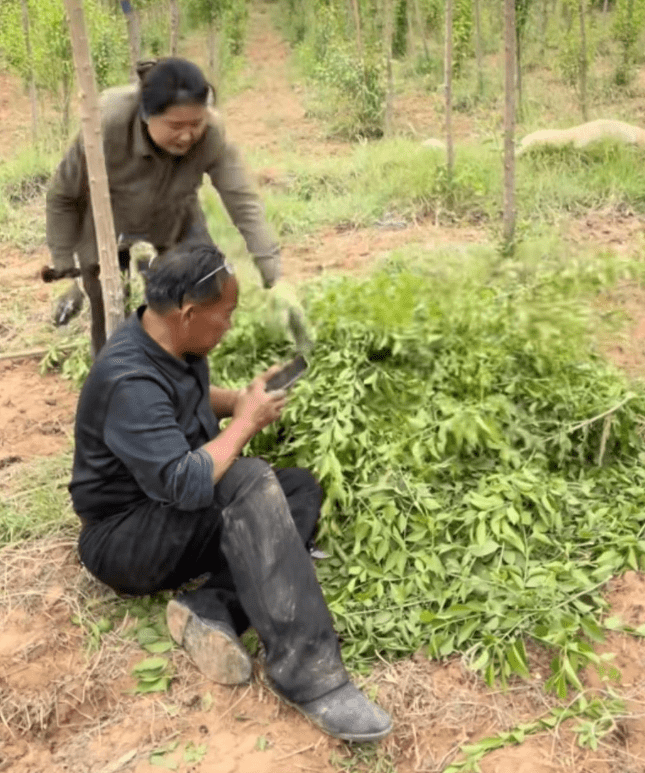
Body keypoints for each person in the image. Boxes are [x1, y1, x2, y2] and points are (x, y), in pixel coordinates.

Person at [69, 242, 392, 743]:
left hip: (166, 514)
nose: (231, 325)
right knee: (246, 479)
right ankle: (309, 676)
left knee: (298, 488)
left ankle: (211, 608)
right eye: (227, 315)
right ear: (190, 312)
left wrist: (239, 400)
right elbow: (185, 482)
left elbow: (190, 398)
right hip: (126, 540)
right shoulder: (127, 378)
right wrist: (246, 423)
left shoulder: (175, 342)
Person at [44, 57, 305, 356]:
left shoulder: (212, 134)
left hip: (174, 220)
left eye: (196, 124)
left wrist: (276, 279)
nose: (187, 135)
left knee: (202, 294)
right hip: (106, 227)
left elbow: (243, 202)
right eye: (175, 125)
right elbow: (63, 196)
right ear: (146, 115)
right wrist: (67, 272)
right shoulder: (106, 125)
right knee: (109, 323)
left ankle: (182, 368)